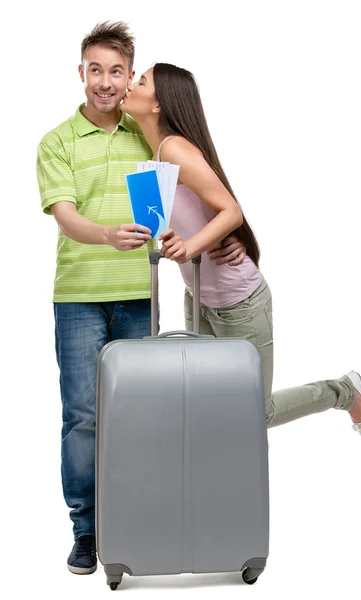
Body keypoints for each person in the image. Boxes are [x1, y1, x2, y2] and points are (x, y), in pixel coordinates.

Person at [36, 23, 245, 576]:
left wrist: (219, 238)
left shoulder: (146, 135)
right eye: (95, 70)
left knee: (141, 417)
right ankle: (87, 529)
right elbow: (66, 217)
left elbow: (198, 195)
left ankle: (136, 518)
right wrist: (106, 234)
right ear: (81, 73)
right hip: (78, 298)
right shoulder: (56, 142)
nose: (106, 82)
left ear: (130, 76)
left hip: (140, 295)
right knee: (82, 416)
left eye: (117, 71)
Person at [120, 63, 361, 434]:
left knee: (258, 412)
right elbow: (181, 217)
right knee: (208, 405)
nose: (130, 83)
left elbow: (231, 211)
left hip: (240, 303)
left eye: (140, 81)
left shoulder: (174, 148)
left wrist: (190, 246)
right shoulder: (154, 151)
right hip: (200, 299)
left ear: (158, 104)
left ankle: (345, 392)